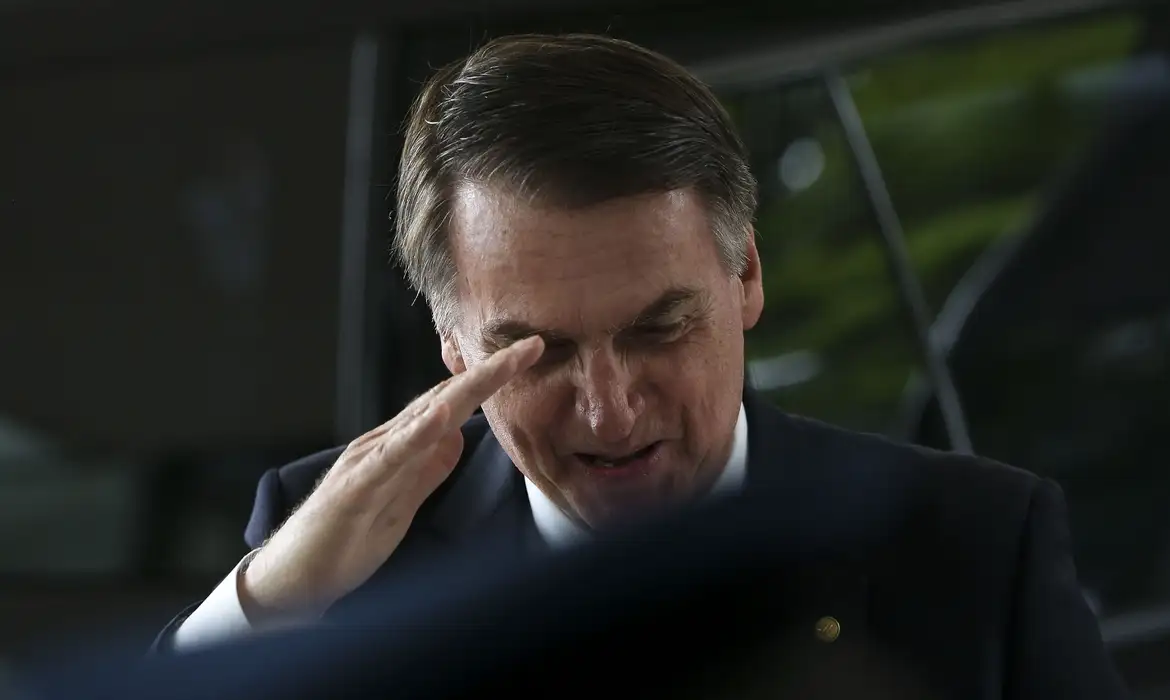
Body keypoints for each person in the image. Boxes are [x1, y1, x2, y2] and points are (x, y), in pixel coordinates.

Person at [154, 33, 1126, 697]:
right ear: (451, 343)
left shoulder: (977, 545)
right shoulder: (326, 557)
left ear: (746, 276)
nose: (610, 412)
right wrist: (268, 609)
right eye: (539, 353)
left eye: (660, 330)